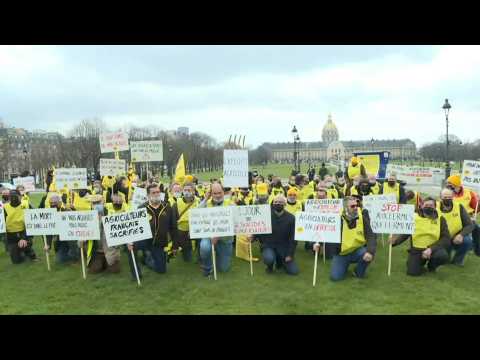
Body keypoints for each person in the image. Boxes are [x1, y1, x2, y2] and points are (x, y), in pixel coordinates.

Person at [314, 196, 376, 281]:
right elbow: (325, 232)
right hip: (341, 254)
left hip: (357, 250)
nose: (355, 208)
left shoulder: (362, 217)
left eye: (356, 205)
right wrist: (318, 243)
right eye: (352, 206)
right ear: (345, 207)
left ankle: (358, 271)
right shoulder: (336, 218)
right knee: (335, 278)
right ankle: (343, 266)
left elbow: (371, 235)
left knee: (369, 254)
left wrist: (370, 251)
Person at [389, 197, 450, 276]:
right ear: (421, 206)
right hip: (416, 250)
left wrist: (431, 249)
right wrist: (394, 242)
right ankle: (419, 263)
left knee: (442, 256)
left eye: (431, 206)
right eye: (426, 205)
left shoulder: (441, 219)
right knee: (412, 273)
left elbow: (446, 238)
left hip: (433, 249)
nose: (428, 207)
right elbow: (406, 233)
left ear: (435, 207)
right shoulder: (413, 217)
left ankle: (431, 266)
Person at [128, 184, 177, 279]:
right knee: (131, 247)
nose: (156, 194)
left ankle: (146, 259)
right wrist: (131, 241)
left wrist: (175, 245)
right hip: (145, 240)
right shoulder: (141, 208)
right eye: (153, 192)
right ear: (148, 195)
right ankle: (136, 275)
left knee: (161, 270)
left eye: (158, 192)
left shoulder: (167, 207)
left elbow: (173, 227)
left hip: (159, 242)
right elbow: (135, 228)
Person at [249, 195, 299, 275]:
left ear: (285, 204)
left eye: (280, 202)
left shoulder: (291, 218)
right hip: (268, 245)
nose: (278, 204)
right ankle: (270, 266)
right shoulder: (265, 216)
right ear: (273, 204)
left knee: (293, 271)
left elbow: (293, 238)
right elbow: (260, 228)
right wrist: (253, 236)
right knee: (269, 258)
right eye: (276, 202)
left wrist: (290, 254)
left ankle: (280, 262)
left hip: (283, 247)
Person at [198, 182, 235, 277]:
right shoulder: (206, 203)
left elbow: (234, 223)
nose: (218, 195)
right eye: (214, 193)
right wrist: (205, 198)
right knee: (205, 247)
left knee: (223, 268)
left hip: (225, 239)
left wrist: (218, 235)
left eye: (220, 192)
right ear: (210, 193)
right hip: (209, 236)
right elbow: (196, 214)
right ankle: (207, 267)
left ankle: (219, 255)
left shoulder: (231, 204)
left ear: (224, 192)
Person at [437, 188, 474, 266]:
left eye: (449, 197)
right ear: (440, 197)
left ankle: (458, 261)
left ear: (453, 197)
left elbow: (470, 224)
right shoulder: (435, 207)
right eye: (445, 197)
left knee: (467, 241)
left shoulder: (459, 207)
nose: (447, 199)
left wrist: (461, 235)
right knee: (444, 260)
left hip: (455, 236)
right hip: (440, 237)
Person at [87, 195, 122, 274]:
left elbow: (119, 236)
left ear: (103, 202)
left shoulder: (111, 214)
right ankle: (100, 262)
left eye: (98, 202)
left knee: (114, 271)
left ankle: (112, 261)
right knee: (94, 271)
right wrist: (81, 241)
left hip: (110, 252)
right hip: (97, 252)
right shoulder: (87, 218)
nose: (96, 205)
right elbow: (82, 239)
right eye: (94, 203)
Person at [3, 190, 38, 264]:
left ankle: (31, 255)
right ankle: (20, 252)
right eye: (11, 197)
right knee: (16, 261)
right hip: (11, 234)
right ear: (9, 198)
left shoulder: (26, 204)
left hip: (24, 231)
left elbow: (34, 218)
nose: (13, 199)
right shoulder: (4, 207)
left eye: (15, 196)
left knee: (24, 244)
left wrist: (23, 238)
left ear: (20, 196)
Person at [44, 194, 79, 264]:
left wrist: (74, 210)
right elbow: (49, 231)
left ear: (60, 203)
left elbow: (77, 220)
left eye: (55, 203)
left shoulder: (67, 210)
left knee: (72, 245)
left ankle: (76, 255)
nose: (53, 204)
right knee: (60, 260)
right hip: (61, 241)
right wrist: (48, 244)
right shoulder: (49, 215)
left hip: (71, 237)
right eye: (51, 203)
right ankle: (73, 253)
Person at [171, 182, 199, 262]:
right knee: (188, 259)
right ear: (182, 191)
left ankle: (199, 253)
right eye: (185, 190)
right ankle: (184, 248)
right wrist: (175, 243)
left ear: (193, 191)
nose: (187, 192)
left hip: (196, 230)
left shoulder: (198, 202)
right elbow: (173, 222)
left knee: (201, 246)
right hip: (182, 233)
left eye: (189, 190)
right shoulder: (176, 204)